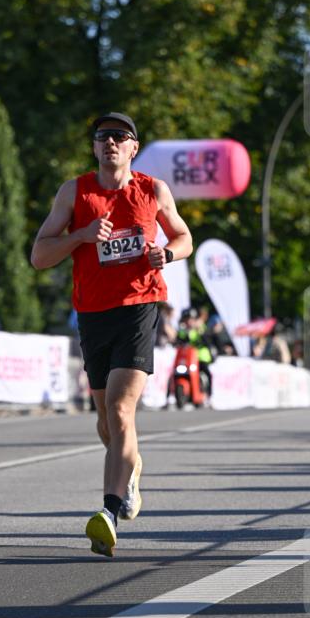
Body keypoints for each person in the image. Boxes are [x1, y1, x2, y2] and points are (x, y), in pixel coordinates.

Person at [31, 111, 193, 556]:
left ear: (133, 148)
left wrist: (168, 254)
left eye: (120, 136)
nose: (111, 143)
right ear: (95, 147)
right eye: (103, 136)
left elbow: (184, 237)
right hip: (93, 314)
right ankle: (132, 467)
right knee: (106, 420)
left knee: (121, 410)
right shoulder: (74, 192)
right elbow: (39, 256)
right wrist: (81, 236)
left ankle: (108, 511)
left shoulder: (153, 190)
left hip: (139, 306)